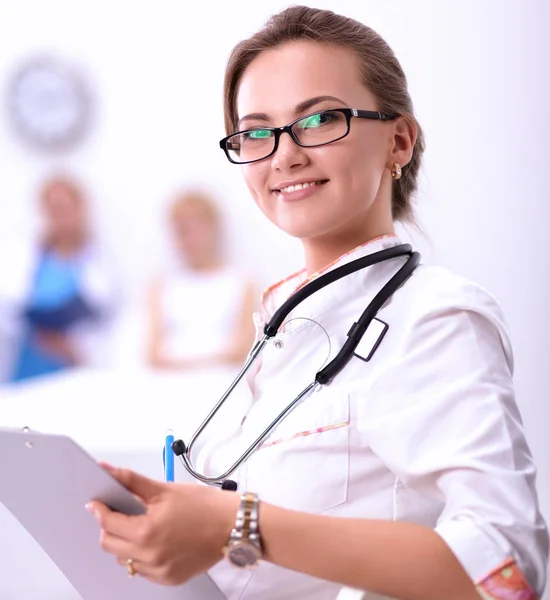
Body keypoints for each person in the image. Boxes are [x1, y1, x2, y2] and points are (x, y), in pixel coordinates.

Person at [87, 6, 548, 600]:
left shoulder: (434, 318)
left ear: (399, 141)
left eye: (320, 119)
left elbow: (506, 570)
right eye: (256, 131)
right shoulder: (280, 331)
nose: (283, 155)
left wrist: (235, 525)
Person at [0, 175, 115, 383]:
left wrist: (72, 347)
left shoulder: (97, 263)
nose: (57, 216)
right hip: (28, 358)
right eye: (51, 210)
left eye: (63, 208)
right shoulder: (25, 259)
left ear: (80, 209)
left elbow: (105, 320)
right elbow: (8, 314)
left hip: (74, 361)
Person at [146, 190, 257, 370]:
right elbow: (152, 353)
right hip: (169, 379)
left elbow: (245, 348)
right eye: (181, 230)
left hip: (224, 378)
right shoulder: (161, 285)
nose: (188, 238)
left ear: (214, 228)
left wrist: (193, 364)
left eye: (195, 227)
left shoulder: (241, 281)